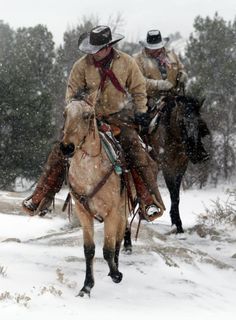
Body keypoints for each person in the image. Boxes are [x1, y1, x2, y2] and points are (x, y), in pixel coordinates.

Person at [22, 25, 165, 219]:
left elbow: (139, 89)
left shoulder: (127, 63)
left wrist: (141, 111)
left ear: (108, 47)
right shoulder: (81, 66)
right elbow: (70, 95)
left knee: (134, 147)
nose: (93, 53)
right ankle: (42, 195)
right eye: (91, 48)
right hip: (87, 117)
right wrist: (80, 107)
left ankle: (148, 199)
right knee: (60, 149)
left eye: (97, 49)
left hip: (118, 116)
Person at [134, 29, 209, 162]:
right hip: (150, 98)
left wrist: (182, 75)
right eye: (153, 48)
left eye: (158, 47)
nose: (156, 50)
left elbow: (181, 69)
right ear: (146, 47)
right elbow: (138, 81)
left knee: (192, 115)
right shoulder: (138, 60)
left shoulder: (171, 55)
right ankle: (143, 152)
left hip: (174, 95)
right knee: (142, 123)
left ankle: (197, 149)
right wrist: (158, 85)